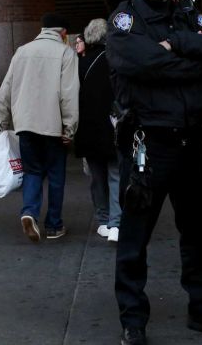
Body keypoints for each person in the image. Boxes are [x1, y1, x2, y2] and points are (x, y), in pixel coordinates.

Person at [106, 0, 202, 345]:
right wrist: (196, 67)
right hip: (147, 146)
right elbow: (141, 62)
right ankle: (133, 319)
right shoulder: (125, 20)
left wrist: (179, 43)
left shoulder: (186, 14)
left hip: (189, 142)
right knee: (135, 236)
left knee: (197, 232)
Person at [0, 13, 79, 242]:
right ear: (63, 33)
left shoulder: (22, 51)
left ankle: (29, 212)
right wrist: (69, 128)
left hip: (25, 126)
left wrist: (1, 123)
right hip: (53, 127)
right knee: (56, 176)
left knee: (32, 171)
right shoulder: (66, 53)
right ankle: (54, 225)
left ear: (43, 29)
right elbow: (69, 94)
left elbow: (5, 91)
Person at [73, 18, 122, 242]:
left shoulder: (80, 64)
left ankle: (103, 220)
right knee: (115, 173)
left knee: (97, 177)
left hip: (88, 128)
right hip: (113, 126)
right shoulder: (116, 59)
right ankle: (116, 223)